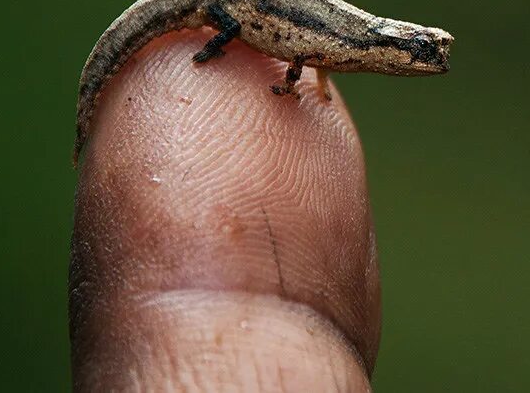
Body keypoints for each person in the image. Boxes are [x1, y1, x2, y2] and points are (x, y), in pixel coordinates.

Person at [70, 29, 380, 390]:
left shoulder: (348, 45)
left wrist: (319, 85)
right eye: (416, 50)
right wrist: (289, 83)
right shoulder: (351, 41)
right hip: (234, 8)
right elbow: (304, 52)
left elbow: (317, 55)